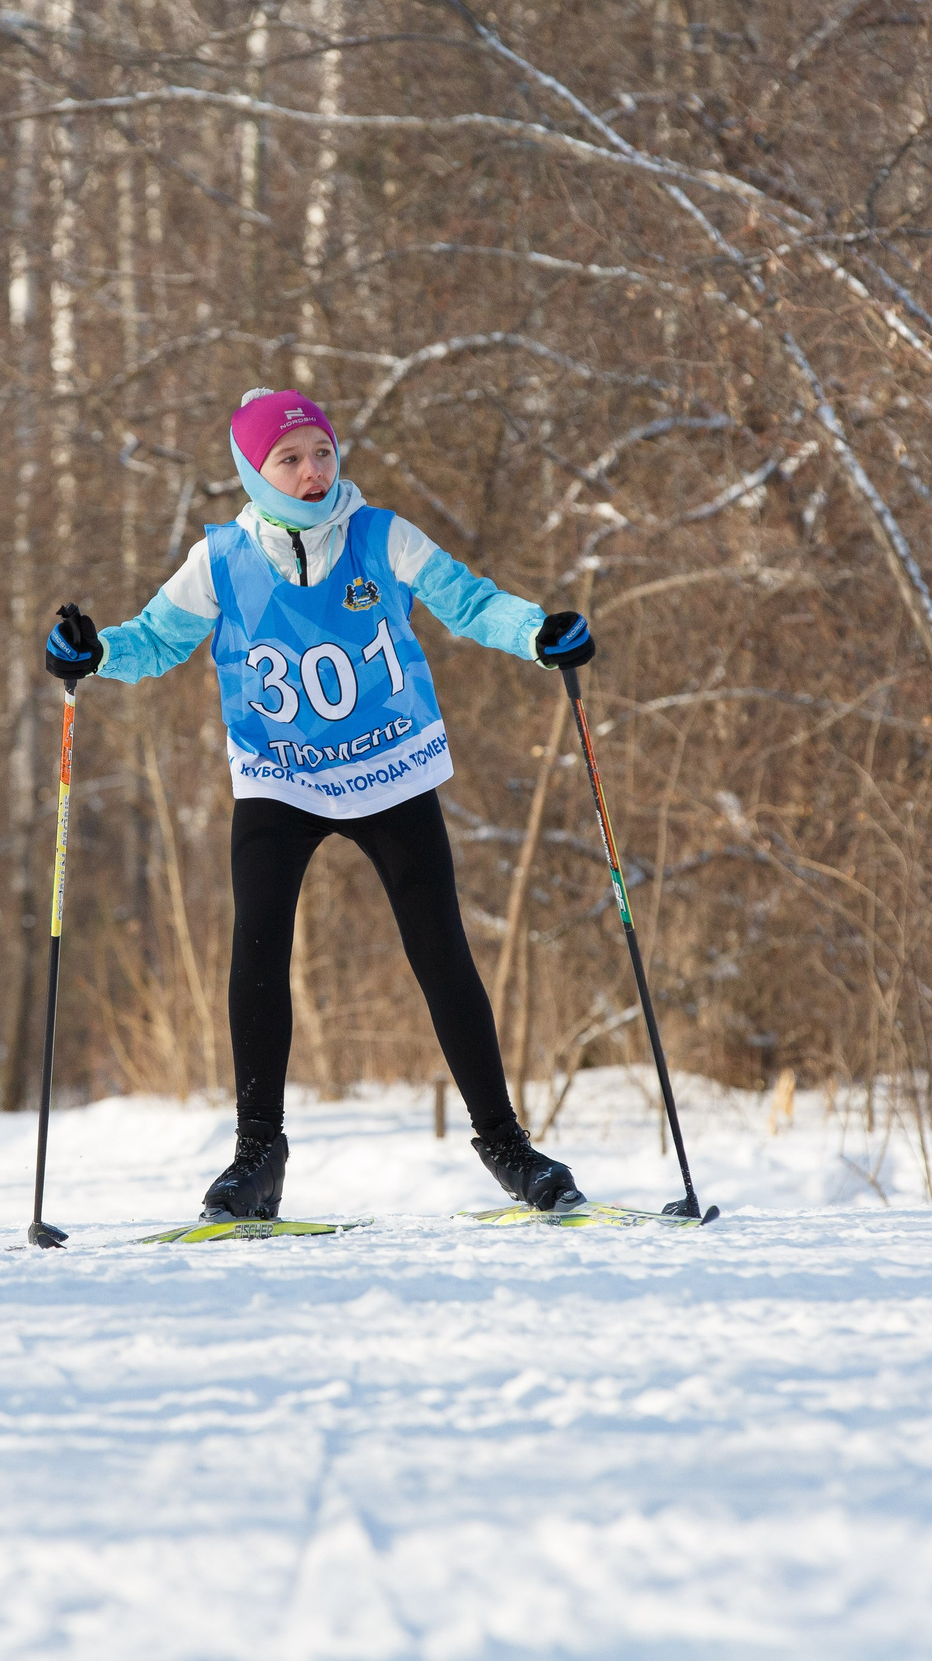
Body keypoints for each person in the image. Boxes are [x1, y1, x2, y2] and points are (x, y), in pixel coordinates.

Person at [44, 387, 600, 1220]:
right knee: (257, 946)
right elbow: (155, 640)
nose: (312, 473)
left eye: (322, 454)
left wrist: (535, 631)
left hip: (391, 765)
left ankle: (508, 1145)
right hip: (279, 773)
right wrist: (93, 652)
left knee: (441, 949)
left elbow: (470, 600)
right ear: (255, 472)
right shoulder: (222, 558)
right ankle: (257, 1155)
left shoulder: (381, 536)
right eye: (290, 460)